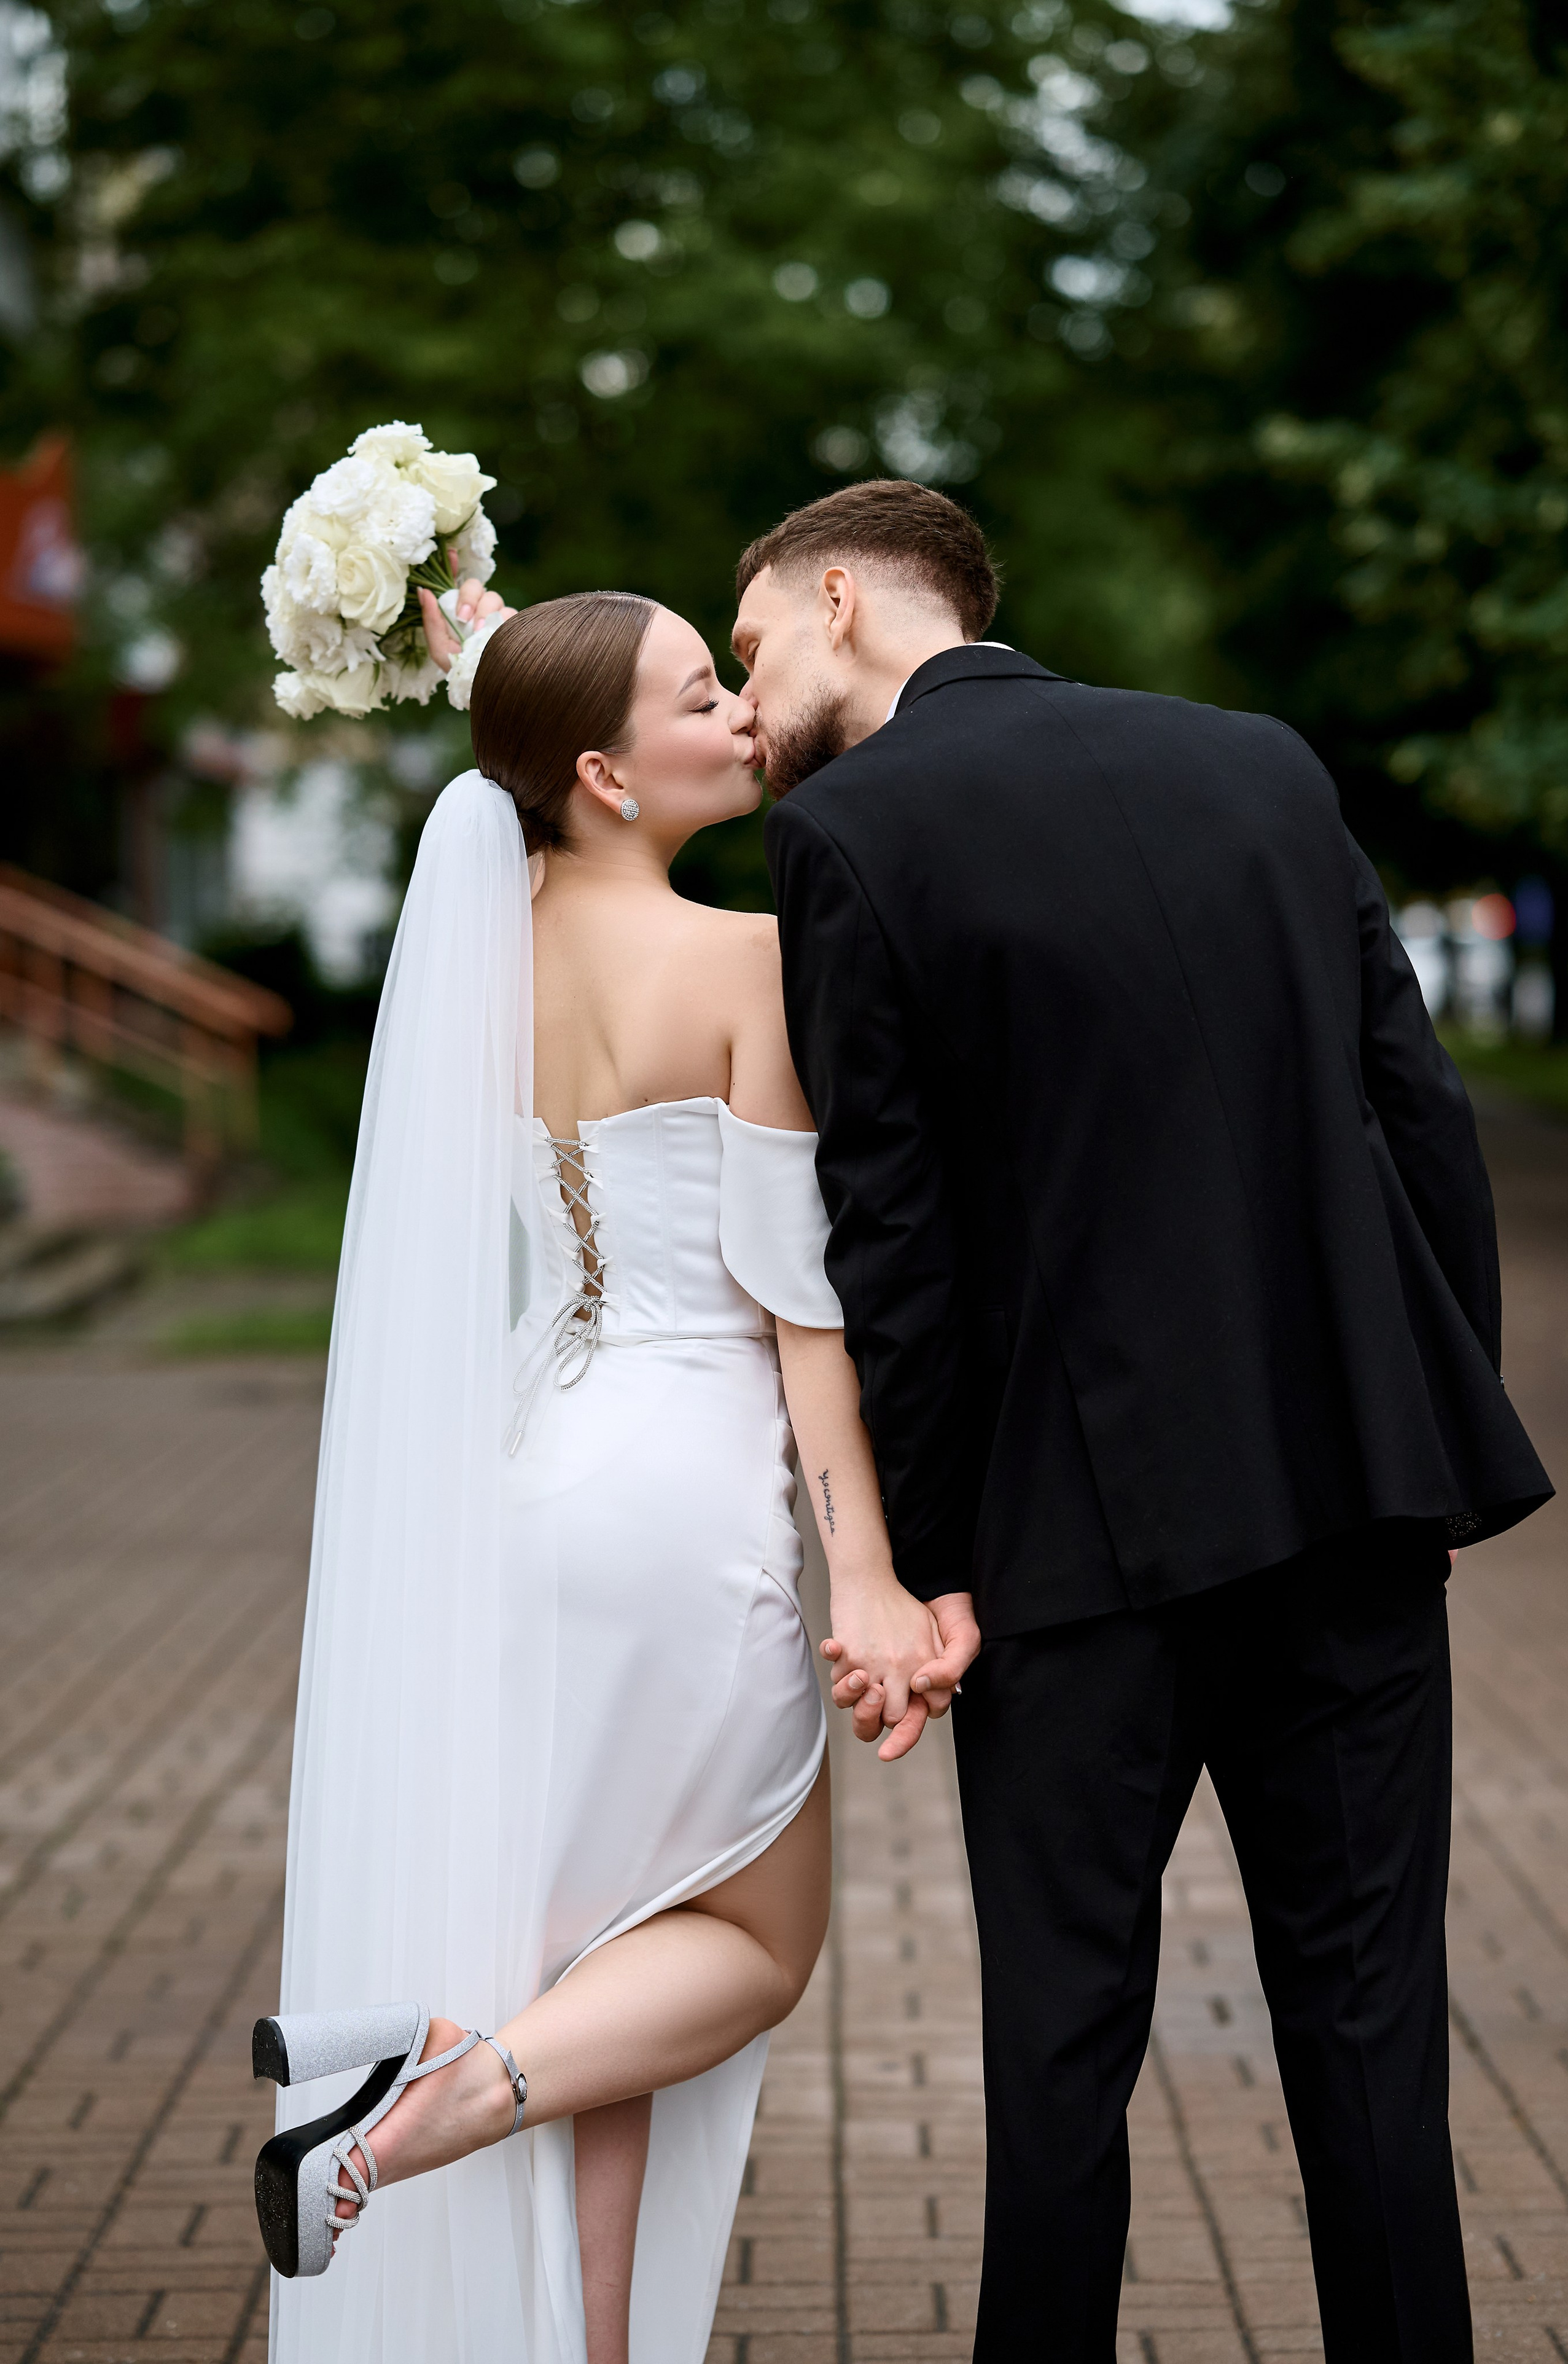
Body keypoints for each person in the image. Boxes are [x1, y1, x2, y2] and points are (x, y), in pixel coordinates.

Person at [732, 477, 1552, 2364]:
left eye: (755, 639)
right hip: (1351, 1510)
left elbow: (900, 1252)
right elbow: (1416, 1119)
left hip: (1069, 1560)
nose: (748, 692)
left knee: (1062, 2064)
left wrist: (935, 1569)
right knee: (1372, 2053)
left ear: (846, 596)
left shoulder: (852, 838)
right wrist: (1418, 1427)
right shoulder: (1259, 766)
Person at [259, 586, 977, 2364]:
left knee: (612, 1977)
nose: (740, 709)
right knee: (750, 1944)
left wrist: (501, 632)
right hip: (680, 1493)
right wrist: (869, 1572)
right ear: (601, 769)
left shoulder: (482, 949)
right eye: (698, 696)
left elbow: (551, 716)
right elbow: (806, 1317)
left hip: (526, 1478)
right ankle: (424, 2105)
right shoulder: (741, 962)